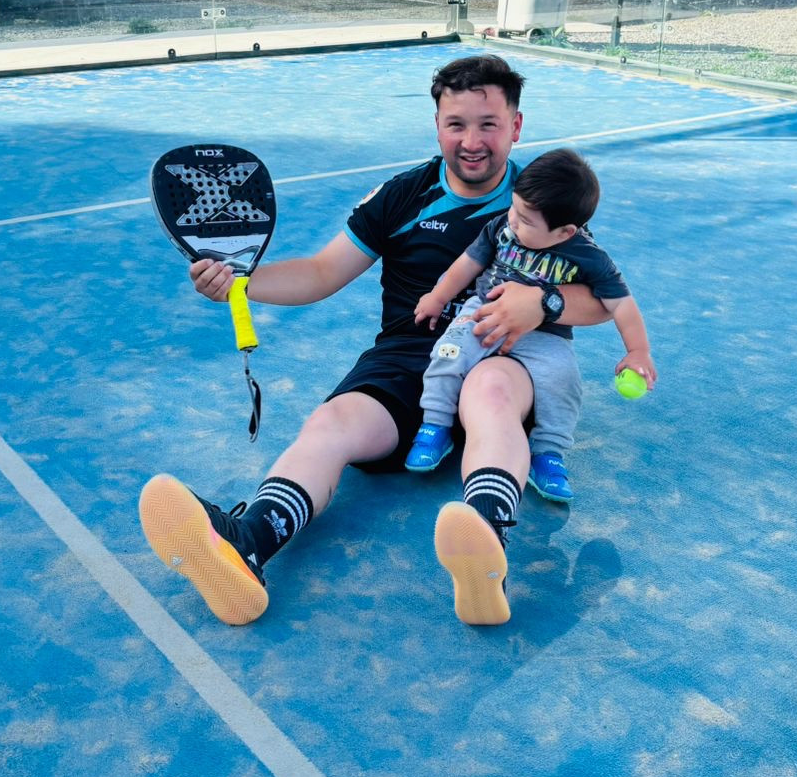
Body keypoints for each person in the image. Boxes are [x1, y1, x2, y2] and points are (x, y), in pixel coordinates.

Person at [138, 53, 612, 630]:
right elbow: (321, 273)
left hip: (504, 356)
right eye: (456, 124)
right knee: (330, 424)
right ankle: (248, 543)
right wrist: (240, 281)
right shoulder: (403, 195)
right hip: (409, 359)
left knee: (488, 392)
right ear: (437, 125)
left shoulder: (541, 199)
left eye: (488, 124)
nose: (471, 142)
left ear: (515, 125)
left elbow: (604, 300)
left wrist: (545, 303)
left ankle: (487, 549)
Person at [404, 147, 655, 508]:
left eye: (525, 220)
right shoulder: (502, 228)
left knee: (563, 381)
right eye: (514, 208)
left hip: (545, 335)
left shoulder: (589, 256)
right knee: (448, 352)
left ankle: (548, 452)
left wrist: (638, 351)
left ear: (565, 231)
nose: (512, 221)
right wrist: (438, 296)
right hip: (484, 312)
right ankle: (435, 424)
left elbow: (621, 304)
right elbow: (468, 262)